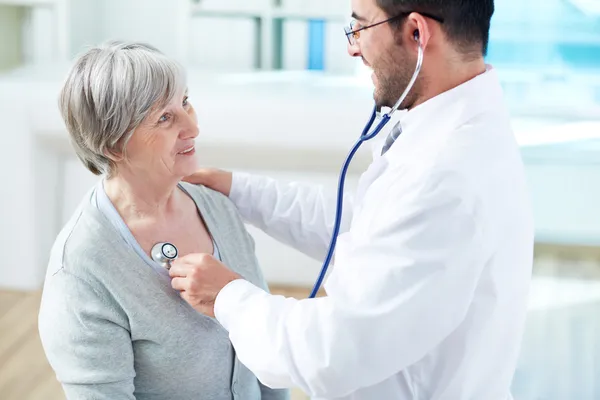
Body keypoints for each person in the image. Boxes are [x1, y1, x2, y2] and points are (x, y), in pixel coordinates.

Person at [169, 0, 535, 399]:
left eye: (359, 27)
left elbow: (331, 353)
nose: (352, 47)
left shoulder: (445, 173)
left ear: (416, 32)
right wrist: (241, 190)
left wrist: (228, 296)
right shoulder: (455, 131)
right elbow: (371, 230)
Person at [37, 41, 289, 400]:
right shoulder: (82, 271)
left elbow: (265, 344)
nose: (192, 128)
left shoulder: (216, 206)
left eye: (185, 102)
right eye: (164, 118)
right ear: (114, 145)